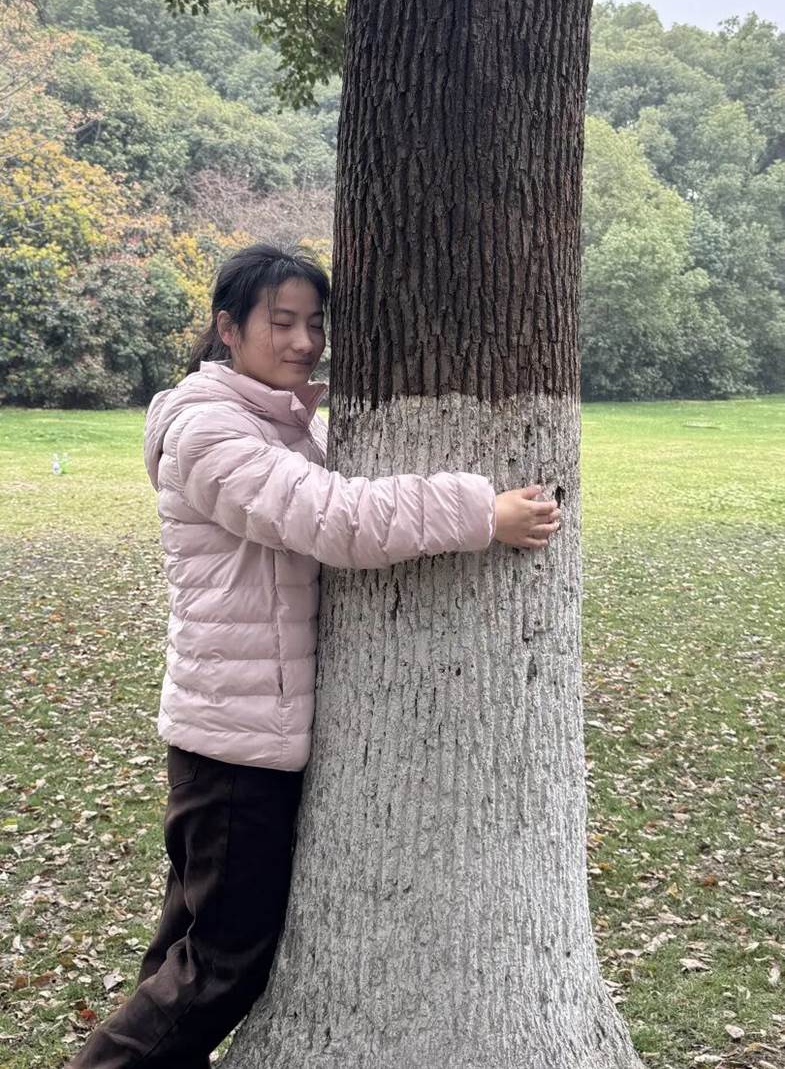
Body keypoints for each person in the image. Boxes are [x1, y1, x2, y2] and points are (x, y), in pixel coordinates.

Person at [68, 241, 560, 1068]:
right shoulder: (208, 430)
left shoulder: (278, 423)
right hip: (234, 748)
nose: (304, 341)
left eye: (315, 323)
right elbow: (334, 518)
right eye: (282, 321)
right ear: (229, 328)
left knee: (185, 954)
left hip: (234, 732)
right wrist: (482, 510)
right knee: (221, 964)